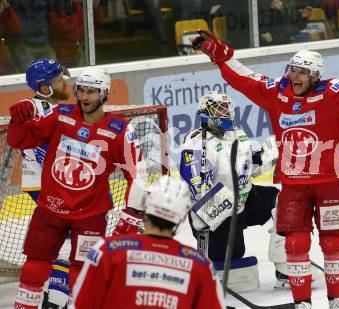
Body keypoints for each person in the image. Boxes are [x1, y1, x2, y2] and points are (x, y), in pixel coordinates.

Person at [191, 30, 339, 308]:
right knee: (295, 244)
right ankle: (302, 303)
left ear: (315, 76)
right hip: (293, 184)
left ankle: (337, 300)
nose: (295, 76)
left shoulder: (332, 93)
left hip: (329, 181)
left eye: (302, 71)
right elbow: (244, 79)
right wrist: (220, 57)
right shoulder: (277, 93)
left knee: (333, 241)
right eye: (293, 70)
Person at [7, 66, 148, 309]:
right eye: (81, 90)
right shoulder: (59, 114)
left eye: (91, 91)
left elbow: (137, 174)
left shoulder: (120, 131)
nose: (84, 96)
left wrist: (133, 213)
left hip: (90, 216)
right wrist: (18, 120)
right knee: (34, 265)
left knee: (83, 272)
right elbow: (18, 140)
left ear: (104, 94)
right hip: (50, 209)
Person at [72, 175, 225, 309]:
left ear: (145, 207)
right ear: (182, 217)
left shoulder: (106, 251)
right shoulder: (201, 265)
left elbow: (82, 305)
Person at [179, 91, 281, 292]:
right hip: (216, 211)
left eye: (227, 108)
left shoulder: (238, 133)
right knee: (233, 256)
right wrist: (225, 200)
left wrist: (264, 158)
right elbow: (196, 185)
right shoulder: (196, 141)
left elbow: (245, 170)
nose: (226, 112)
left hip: (244, 200)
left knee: (284, 202)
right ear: (206, 112)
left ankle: (287, 269)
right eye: (220, 108)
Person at [22, 58, 72, 309]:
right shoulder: (38, 111)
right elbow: (45, 151)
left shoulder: (44, 107)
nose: (66, 83)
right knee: (70, 242)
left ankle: (54, 298)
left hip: (44, 184)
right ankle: (55, 300)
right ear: (44, 88)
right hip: (47, 185)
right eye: (59, 80)